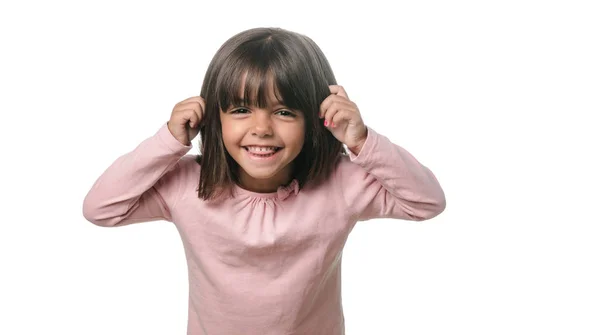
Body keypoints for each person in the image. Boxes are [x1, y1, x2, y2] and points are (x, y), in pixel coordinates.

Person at [82, 27, 446, 335]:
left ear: (317, 116)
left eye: (284, 112)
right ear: (214, 117)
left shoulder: (341, 183)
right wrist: (169, 141)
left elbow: (426, 202)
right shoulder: (187, 186)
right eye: (241, 109)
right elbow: (102, 208)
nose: (261, 129)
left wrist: (360, 140)